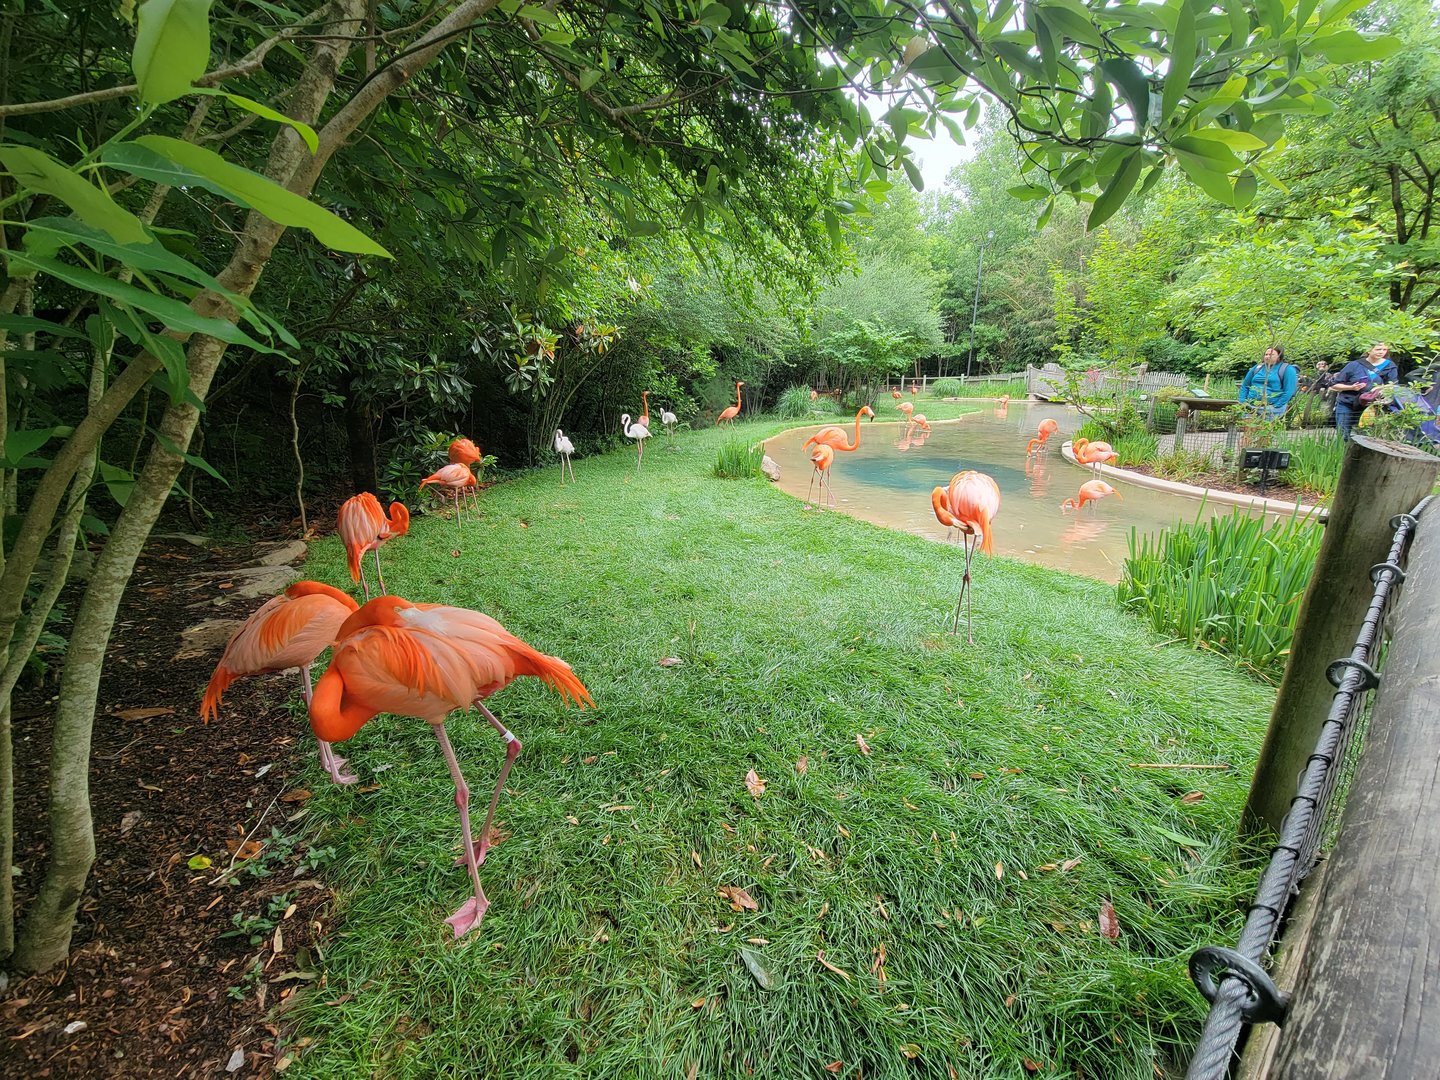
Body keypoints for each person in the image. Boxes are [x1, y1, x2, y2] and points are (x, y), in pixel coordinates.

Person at [1331, 343, 1399, 441]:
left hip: (1371, 406)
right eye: (1378, 349)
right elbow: (1334, 385)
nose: (1381, 352)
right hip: (1347, 403)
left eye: (1384, 350)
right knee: (1343, 434)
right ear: (1369, 350)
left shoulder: (1389, 366)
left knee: (1366, 435)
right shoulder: (1354, 365)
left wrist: (1378, 388)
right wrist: (1352, 387)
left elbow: (1393, 384)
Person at [1237, 345, 1298, 419]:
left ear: (1279, 356)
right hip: (1250, 407)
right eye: (1266, 354)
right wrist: (1242, 401)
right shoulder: (1257, 368)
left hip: (1272, 408)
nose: (1267, 356)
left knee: (1264, 429)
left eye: (1271, 354)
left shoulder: (1287, 369)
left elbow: (1289, 390)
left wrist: (1276, 405)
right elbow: (1245, 385)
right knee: (1247, 429)